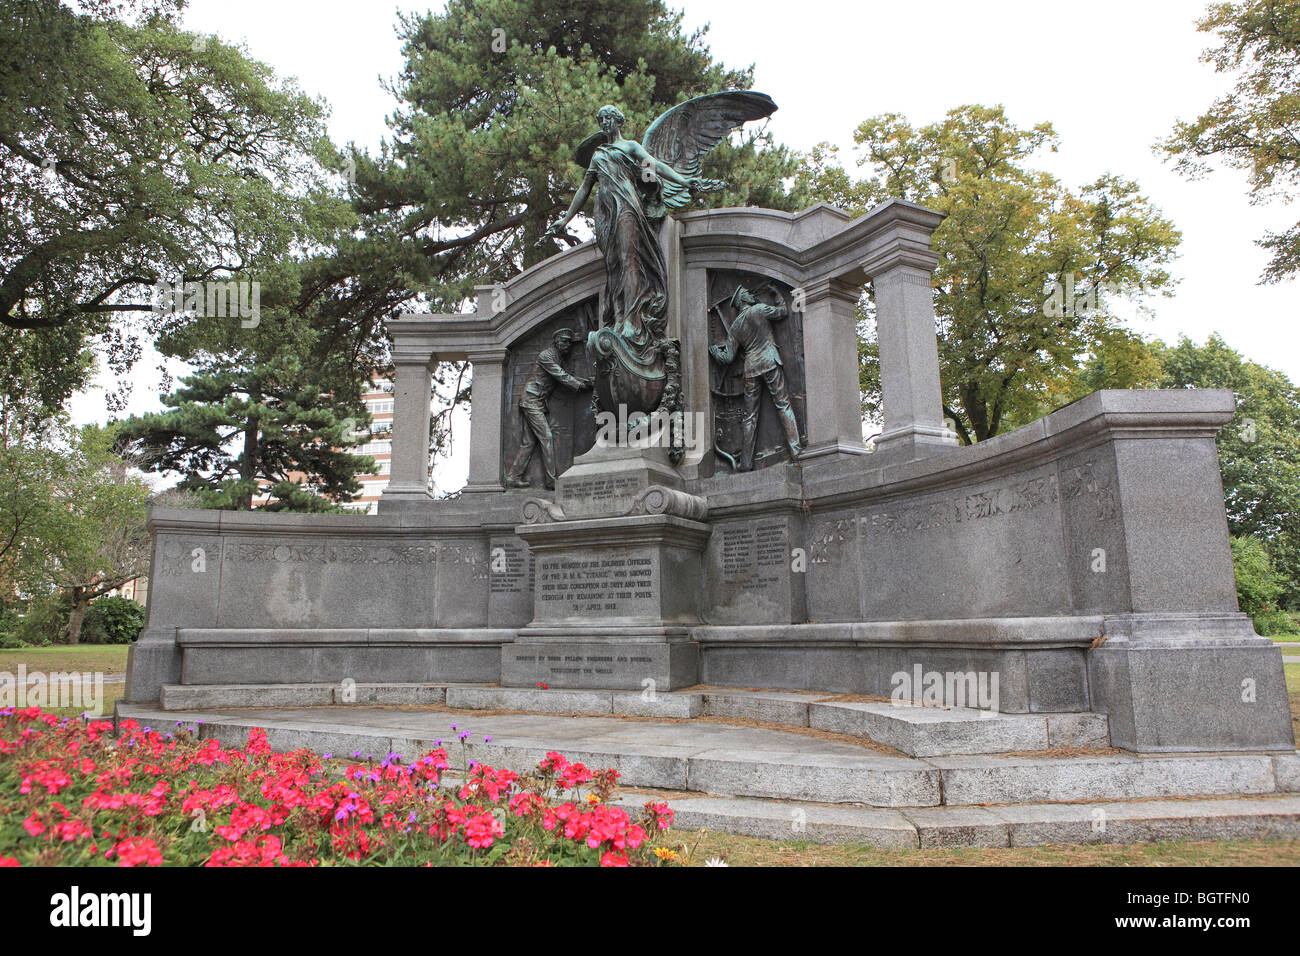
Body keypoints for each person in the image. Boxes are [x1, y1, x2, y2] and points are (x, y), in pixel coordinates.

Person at [709, 285, 803, 470]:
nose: (752, 295)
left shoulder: (735, 326)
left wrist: (714, 352)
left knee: (749, 416)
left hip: (751, 368)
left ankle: (745, 463)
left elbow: (727, 357)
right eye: (748, 293)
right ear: (743, 298)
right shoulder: (759, 309)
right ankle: (796, 452)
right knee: (783, 405)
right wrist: (776, 295)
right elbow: (783, 312)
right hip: (769, 361)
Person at [504, 328, 592, 489]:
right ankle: (552, 481)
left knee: (528, 443)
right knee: (547, 438)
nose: (568, 345)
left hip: (535, 402)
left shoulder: (558, 357)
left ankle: (513, 476)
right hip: (531, 401)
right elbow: (561, 376)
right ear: (556, 341)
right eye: (564, 341)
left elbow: (564, 375)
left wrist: (585, 382)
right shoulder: (547, 356)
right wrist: (579, 385)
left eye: (569, 342)